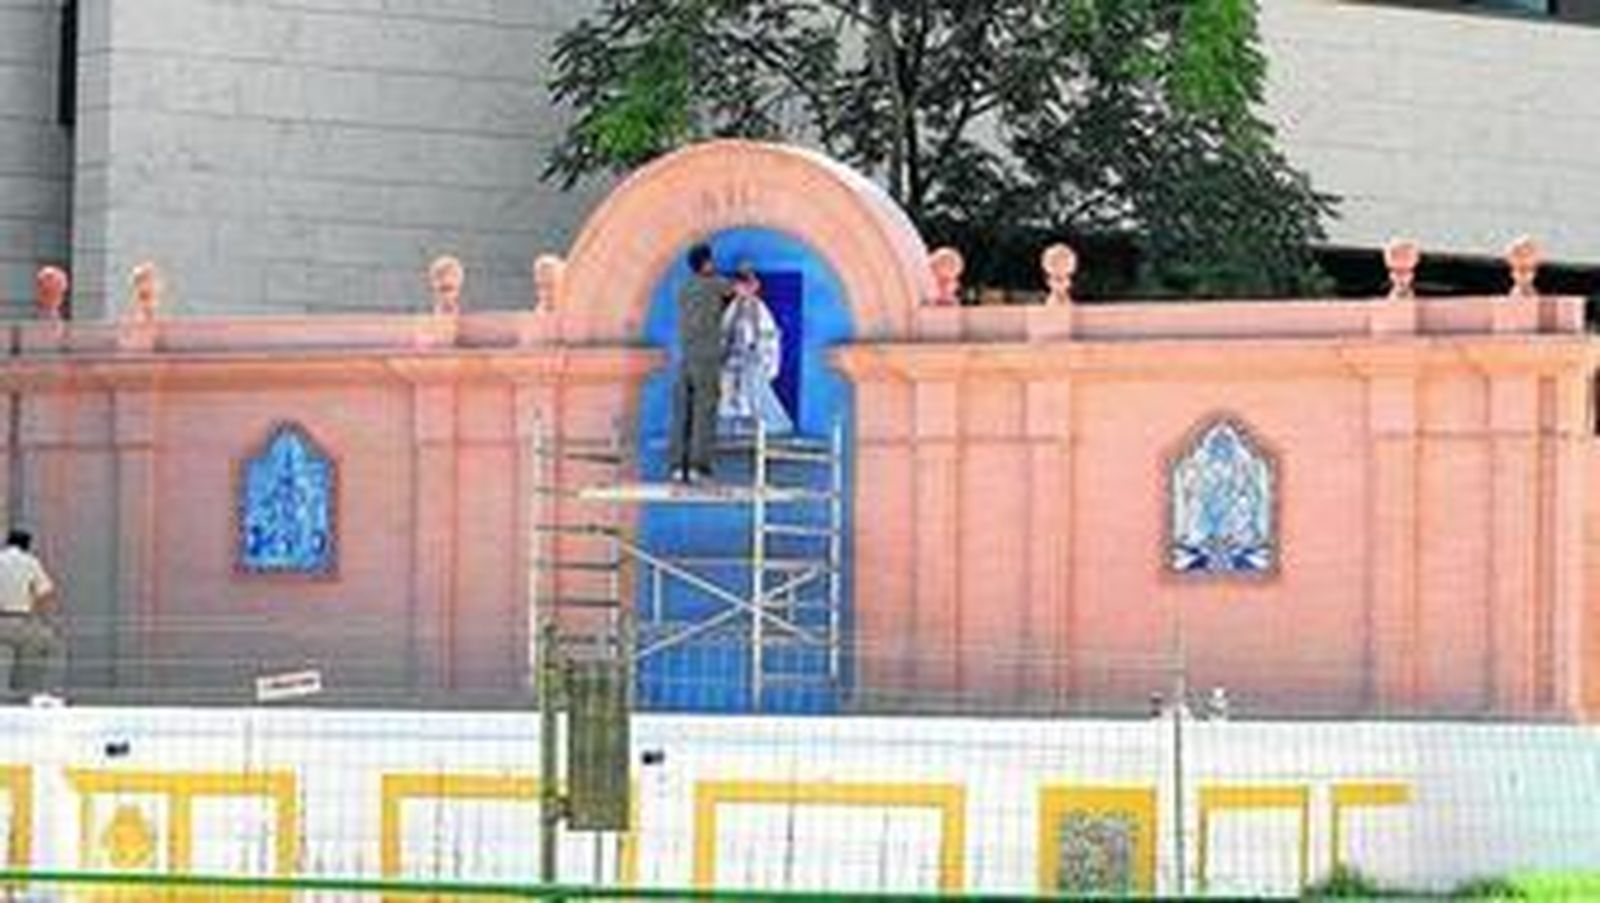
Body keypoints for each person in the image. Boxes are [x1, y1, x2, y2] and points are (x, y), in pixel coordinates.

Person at [669, 243, 733, 483]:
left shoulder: (684, 288)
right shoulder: (715, 283)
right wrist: (746, 275)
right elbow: (744, 291)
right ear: (707, 262)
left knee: (683, 412)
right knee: (704, 411)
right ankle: (699, 467)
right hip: (707, 357)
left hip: (686, 357)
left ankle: (678, 467)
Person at [719, 264, 792, 437]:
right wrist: (725, 348)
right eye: (737, 286)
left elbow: (768, 334)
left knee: (750, 389)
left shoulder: (758, 308)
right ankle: (732, 423)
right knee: (728, 386)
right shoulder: (733, 308)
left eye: (743, 286)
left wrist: (759, 350)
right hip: (733, 356)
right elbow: (725, 331)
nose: (739, 289)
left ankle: (752, 423)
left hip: (751, 356)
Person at [0, 529, 64, 704]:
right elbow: (45, 591)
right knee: (54, 648)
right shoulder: (30, 562)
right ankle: (47, 693)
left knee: (3, 659)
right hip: (22, 620)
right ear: (27, 545)